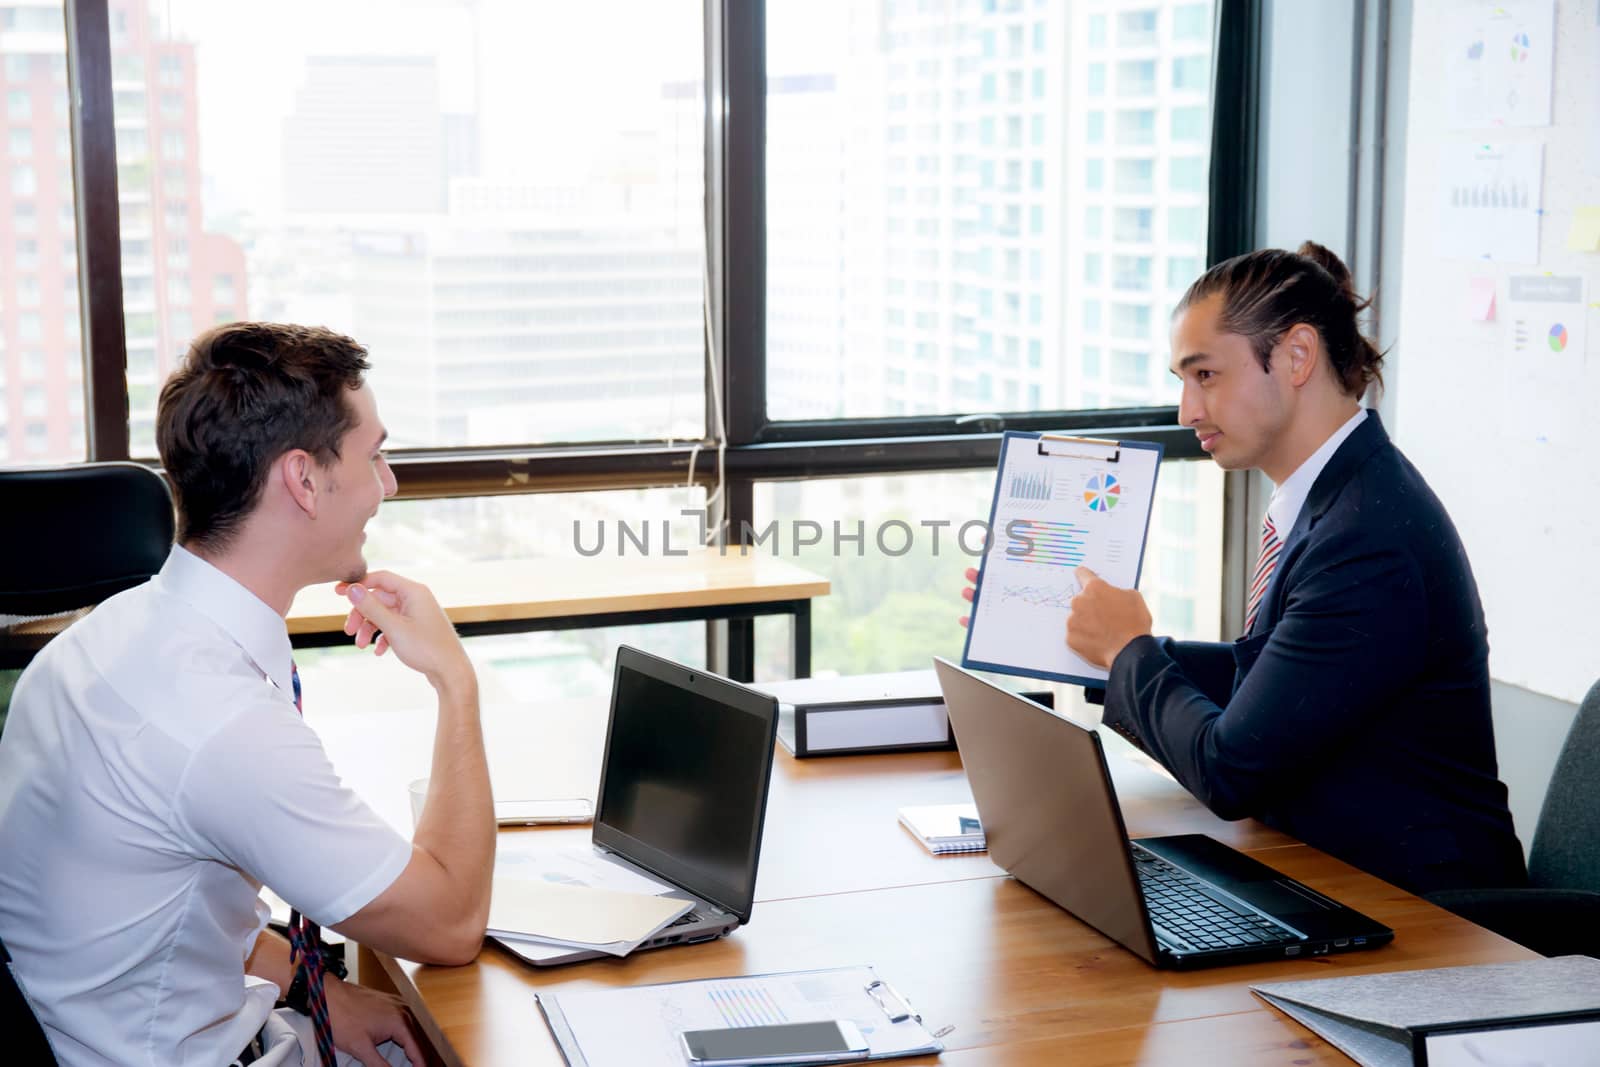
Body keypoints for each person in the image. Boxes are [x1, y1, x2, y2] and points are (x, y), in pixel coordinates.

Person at [0, 323, 495, 1067]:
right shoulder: (223, 726)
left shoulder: (99, 641)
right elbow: (452, 921)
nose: (386, 485)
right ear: (303, 479)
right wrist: (454, 683)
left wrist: (319, 991)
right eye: (375, 456)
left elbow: (161, 918)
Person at [965, 243, 1526, 897]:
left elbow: (1230, 768)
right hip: (1337, 872)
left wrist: (1127, 650)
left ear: (1295, 357)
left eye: (1205, 375)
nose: (1186, 410)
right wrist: (1087, 642)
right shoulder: (1334, 497)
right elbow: (1268, 677)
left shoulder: (1368, 537)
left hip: (1436, 918)